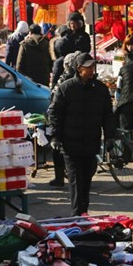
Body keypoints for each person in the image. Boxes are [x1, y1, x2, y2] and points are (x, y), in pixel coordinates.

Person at [48, 53, 115, 216]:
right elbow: (55, 113)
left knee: (86, 180)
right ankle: (78, 215)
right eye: (88, 67)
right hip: (70, 145)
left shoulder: (100, 89)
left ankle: (83, 212)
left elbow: (108, 115)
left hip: (91, 144)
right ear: (79, 69)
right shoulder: (67, 88)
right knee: (76, 181)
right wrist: (56, 136)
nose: (92, 70)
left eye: (93, 66)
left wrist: (110, 136)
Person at [47, 51, 83, 188]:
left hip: (64, 121)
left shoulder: (63, 80)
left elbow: (53, 101)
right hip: (76, 121)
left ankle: (59, 177)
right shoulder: (80, 80)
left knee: (57, 149)